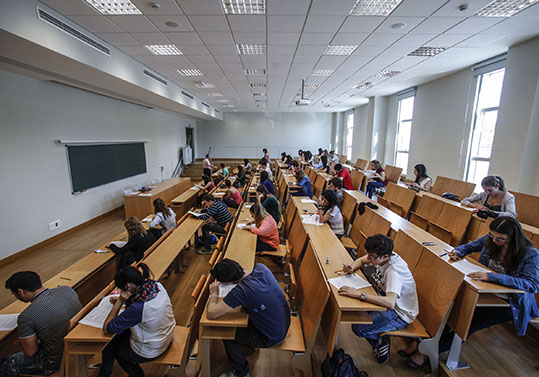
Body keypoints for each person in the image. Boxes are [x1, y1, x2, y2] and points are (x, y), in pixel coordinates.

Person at [401, 217, 538, 368]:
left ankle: (426, 353)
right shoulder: (490, 239)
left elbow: (532, 284)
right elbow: (469, 247)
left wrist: (493, 276)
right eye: (492, 236)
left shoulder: (530, 254)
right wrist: (457, 252)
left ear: (513, 238)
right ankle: (420, 343)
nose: (494, 241)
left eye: (501, 239)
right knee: (451, 311)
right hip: (483, 293)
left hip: (510, 302)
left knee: (468, 321)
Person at [338, 234, 418, 364]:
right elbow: (361, 260)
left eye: (372, 257)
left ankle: (382, 339)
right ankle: (380, 335)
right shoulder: (382, 254)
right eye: (368, 255)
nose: (369, 259)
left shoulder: (394, 272)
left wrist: (359, 294)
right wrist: (351, 268)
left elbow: (390, 303)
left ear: (385, 256)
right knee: (358, 314)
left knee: (359, 328)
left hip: (399, 313)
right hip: (385, 301)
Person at [207, 259, 290, 377]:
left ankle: (241, 371)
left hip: (271, 337)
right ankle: (249, 347)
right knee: (242, 316)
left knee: (226, 332)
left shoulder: (241, 291)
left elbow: (211, 313)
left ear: (230, 282)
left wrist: (214, 294)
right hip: (283, 322)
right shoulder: (261, 268)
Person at [99, 263, 175, 377]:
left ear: (128, 286)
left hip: (151, 349)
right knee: (117, 338)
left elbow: (107, 328)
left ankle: (136, 374)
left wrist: (119, 302)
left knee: (112, 347)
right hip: (166, 335)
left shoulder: (138, 308)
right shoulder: (156, 286)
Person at [0, 272, 82, 377]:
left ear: (20, 292)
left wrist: (25, 343)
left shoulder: (26, 317)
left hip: (55, 361)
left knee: (6, 364)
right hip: (76, 347)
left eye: (14, 294)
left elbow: (31, 352)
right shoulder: (67, 290)